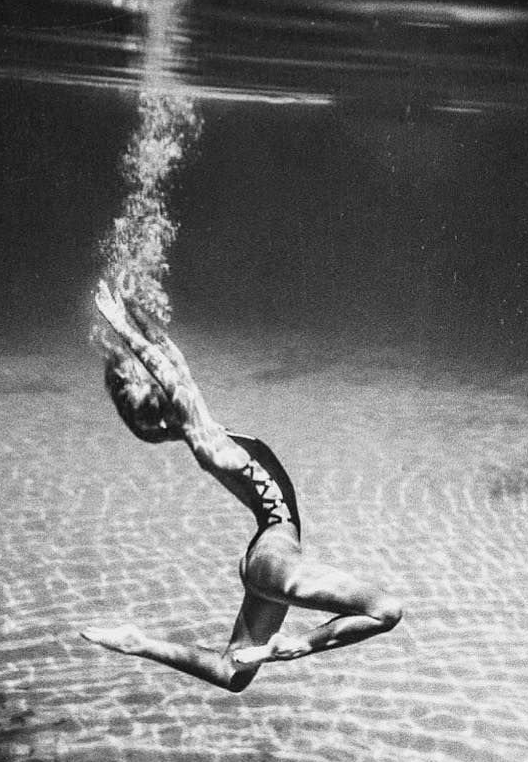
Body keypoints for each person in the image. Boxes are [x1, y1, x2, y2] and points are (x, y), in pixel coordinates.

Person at [82, 281, 402, 692]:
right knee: (386, 610)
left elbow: (171, 359)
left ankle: (138, 643)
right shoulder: (204, 439)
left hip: (270, 557)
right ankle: (296, 646)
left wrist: (133, 311)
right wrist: (120, 324)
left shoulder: (206, 429)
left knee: (231, 674)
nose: (177, 387)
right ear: (164, 413)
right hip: (273, 558)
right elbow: (168, 370)